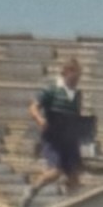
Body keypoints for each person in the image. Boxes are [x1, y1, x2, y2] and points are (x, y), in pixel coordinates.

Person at [29, 58, 86, 192]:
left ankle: (73, 202)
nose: (77, 80)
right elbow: (33, 107)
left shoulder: (77, 94)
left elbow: (75, 116)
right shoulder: (52, 90)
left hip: (70, 140)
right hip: (54, 138)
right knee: (55, 171)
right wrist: (40, 119)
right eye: (75, 76)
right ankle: (32, 189)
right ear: (67, 72)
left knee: (74, 176)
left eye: (79, 77)